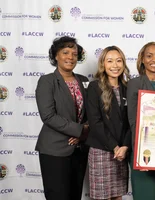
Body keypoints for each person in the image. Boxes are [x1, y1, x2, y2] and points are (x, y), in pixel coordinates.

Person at [35, 36, 89, 200]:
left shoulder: (84, 81)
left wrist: (84, 134)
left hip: (79, 150)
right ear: (55, 56)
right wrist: (79, 130)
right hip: (54, 150)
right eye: (65, 52)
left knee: (75, 195)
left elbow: (92, 113)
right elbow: (48, 116)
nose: (70, 57)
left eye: (74, 53)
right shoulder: (47, 81)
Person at [127, 42, 155, 200]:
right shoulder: (134, 83)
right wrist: (140, 156)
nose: (154, 59)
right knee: (144, 195)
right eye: (149, 55)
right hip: (143, 150)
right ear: (142, 60)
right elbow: (133, 121)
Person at [85, 46, 131, 200]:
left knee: (117, 196)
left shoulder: (128, 88)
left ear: (124, 64)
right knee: (102, 197)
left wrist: (124, 146)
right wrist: (114, 146)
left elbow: (132, 121)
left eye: (119, 61)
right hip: (102, 150)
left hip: (121, 153)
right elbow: (95, 122)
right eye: (110, 61)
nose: (115, 65)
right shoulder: (94, 87)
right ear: (103, 64)